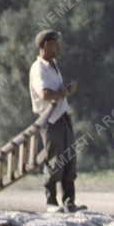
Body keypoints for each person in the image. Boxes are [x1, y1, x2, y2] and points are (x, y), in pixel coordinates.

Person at [29, 29, 80, 213]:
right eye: (54, 43)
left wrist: (65, 91)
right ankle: (51, 202)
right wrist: (65, 92)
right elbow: (44, 94)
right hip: (50, 119)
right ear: (44, 45)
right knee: (54, 161)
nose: (58, 46)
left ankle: (69, 202)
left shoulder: (53, 64)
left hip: (63, 116)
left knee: (69, 160)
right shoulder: (38, 68)